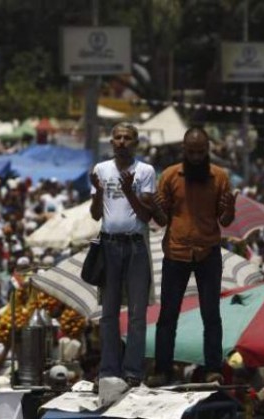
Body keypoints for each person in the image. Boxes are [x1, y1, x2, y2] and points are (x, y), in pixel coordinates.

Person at [148, 127, 235, 386]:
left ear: (208, 151)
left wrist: (230, 210)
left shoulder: (219, 177)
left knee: (211, 315)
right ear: (184, 150)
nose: (196, 157)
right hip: (176, 252)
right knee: (168, 315)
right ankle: (163, 369)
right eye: (191, 152)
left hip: (208, 252)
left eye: (201, 152)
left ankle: (212, 368)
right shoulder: (170, 175)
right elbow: (161, 220)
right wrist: (154, 206)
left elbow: (226, 221)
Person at [89, 122, 156, 387]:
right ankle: (108, 370)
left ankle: (133, 371)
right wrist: (98, 194)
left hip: (136, 245)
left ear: (136, 143)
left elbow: (147, 215)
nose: (122, 142)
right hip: (109, 245)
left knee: (137, 314)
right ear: (111, 142)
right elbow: (96, 214)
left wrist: (129, 192)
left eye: (127, 138)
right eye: (117, 137)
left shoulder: (145, 171)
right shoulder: (101, 170)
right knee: (109, 314)